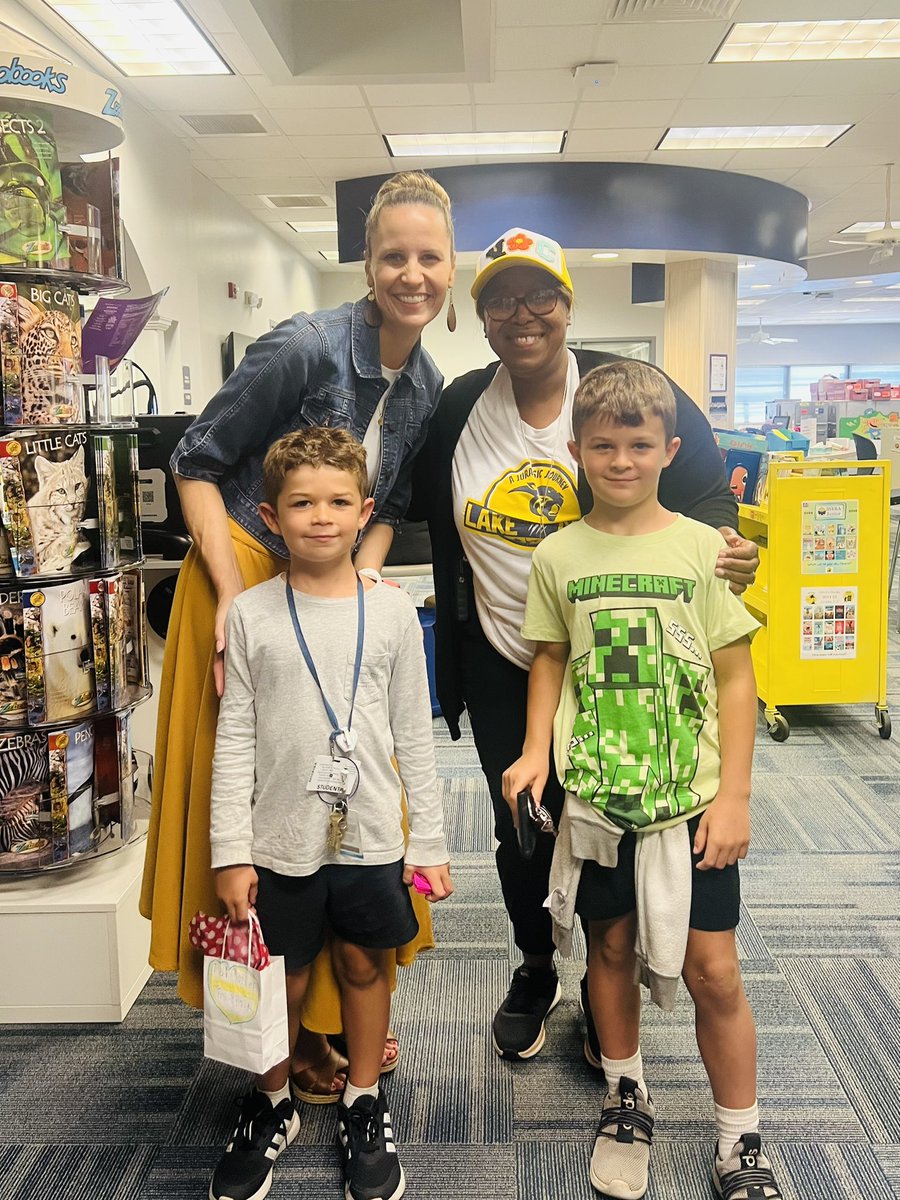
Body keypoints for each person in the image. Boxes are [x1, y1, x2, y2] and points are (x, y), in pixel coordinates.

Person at [140, 171, 455, 1098]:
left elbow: (388, 502)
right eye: (393, 255)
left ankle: (330, 1020)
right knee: (254, 795)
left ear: (449, 265)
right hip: (242, 570)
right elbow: (196, 459)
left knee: (352, 797)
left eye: (429, 257)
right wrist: (238, 600)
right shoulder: (307, 344)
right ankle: (287, 1033)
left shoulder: (427, 380)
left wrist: (366, 568)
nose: (411, 274)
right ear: (367, 259)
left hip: (332, 589)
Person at [411, 228, 759, 1061]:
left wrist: (729, 553)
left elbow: (709, 501)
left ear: (568, 305)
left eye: (541, 297)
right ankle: (537, 965)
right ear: (480, 314)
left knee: (624, 814)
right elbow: (412, 512)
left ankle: (622, 963)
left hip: (623, 666)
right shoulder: (460, 406)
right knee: (526, 825)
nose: (522, 314)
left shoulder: (622, 392)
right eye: (501, 299)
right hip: (510, 655)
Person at [502, 360, 781, 1200]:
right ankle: (626, 1096)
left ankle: (741, 1138)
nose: (620, 461)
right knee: (609, 952)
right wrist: (533, 751)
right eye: (602, 447)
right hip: (599, 801)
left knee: (714, 972)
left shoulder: (706, 552)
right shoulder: (558, 554)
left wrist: (734, 795)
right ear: (578, 451)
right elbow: (550, 658)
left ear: (670, 450)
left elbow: (736, 677)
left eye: (638, 445)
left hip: (691, 806)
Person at [209, 427, 452, 1200]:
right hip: (277, 837)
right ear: (271, 517)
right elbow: (236, 738)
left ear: (365, 510)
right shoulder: (250, 614)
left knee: (361, 963)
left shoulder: (390, 613)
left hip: (374, 832)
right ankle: (271, 1101)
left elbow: (416, 732)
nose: (321, 516)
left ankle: (362, 1099)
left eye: (338, 501)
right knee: (280, 977)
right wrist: (229, 850)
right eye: (302, 503)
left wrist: (432, 844)